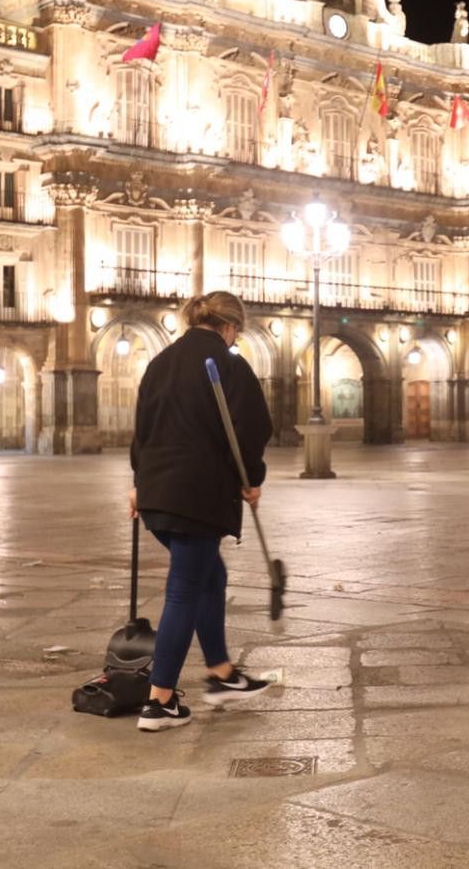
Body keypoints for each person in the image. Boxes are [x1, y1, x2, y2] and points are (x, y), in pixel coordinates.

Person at [128, 291, 275, 731]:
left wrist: (138, 482)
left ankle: (221, 671)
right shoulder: (228, 365)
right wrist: (252, 478)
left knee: (212, 575)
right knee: (184, 590)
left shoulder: (159, 363)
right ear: (230, 327)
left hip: (156, 493)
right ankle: (160, 702)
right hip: (197, 495)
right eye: (237, 334)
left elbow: (143, 428)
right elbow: (251, 430)